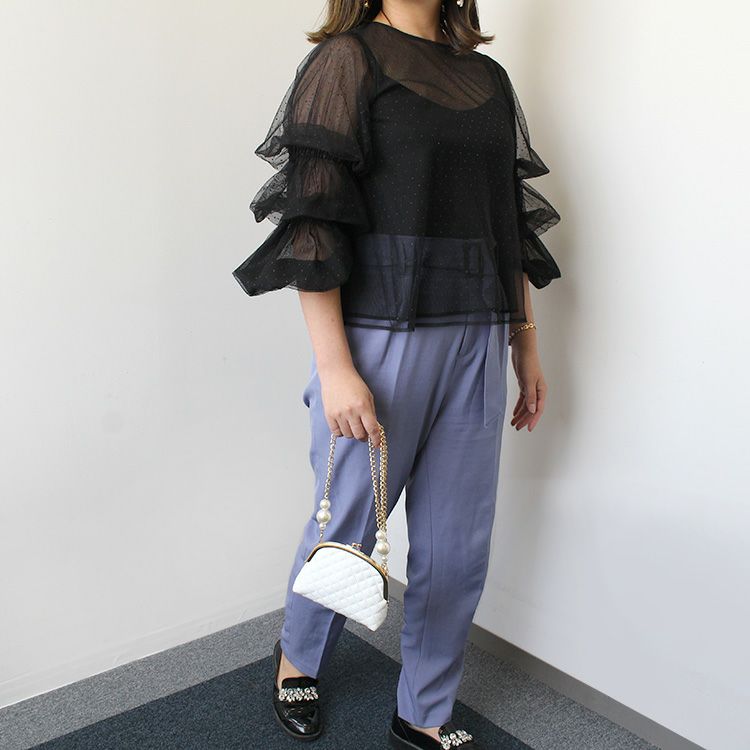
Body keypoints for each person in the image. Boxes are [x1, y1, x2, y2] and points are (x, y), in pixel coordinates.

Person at [232, 1, 561, 747]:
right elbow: (312, 223)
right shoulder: (347, 60)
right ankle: (297, 659)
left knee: (456, 545)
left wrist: (525, 341)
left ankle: (424, 712)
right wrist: (335, 367)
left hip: (477, 335)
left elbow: (505, 223)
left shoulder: (489, 78)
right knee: (349, 519)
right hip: (379, 336)